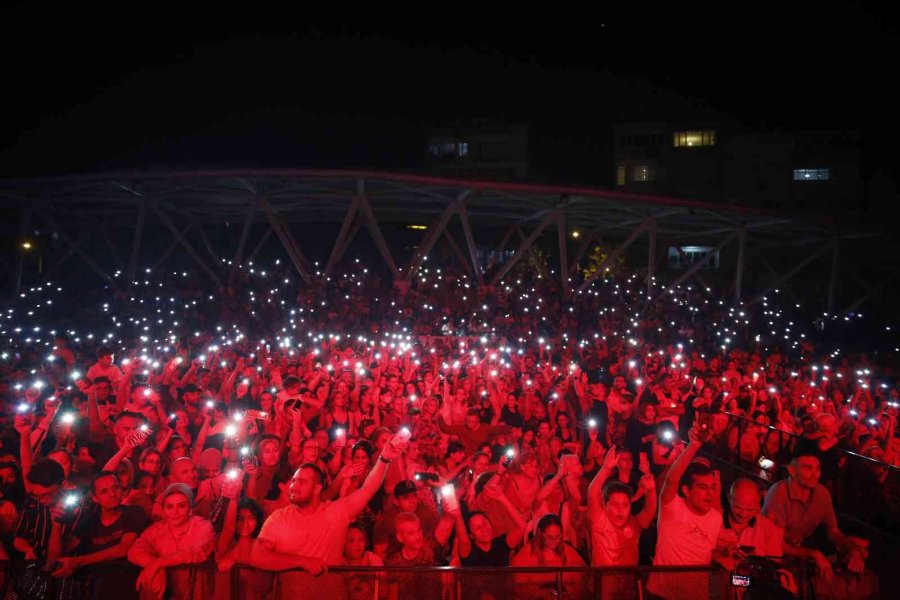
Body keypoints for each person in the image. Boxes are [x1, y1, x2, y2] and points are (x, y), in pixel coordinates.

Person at [762, 447, 867, 583]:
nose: (815, 474)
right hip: (774, 551)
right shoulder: (778, 494)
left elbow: (832, 530)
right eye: (807, 468)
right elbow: (775, 543)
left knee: (860, 548)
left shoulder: (822, 493)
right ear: (792, 471)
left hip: (803, 547)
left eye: (817, 469)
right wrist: (813, 554)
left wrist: (851, 548)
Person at [647, 419, 722, 600]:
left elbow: (709, 553)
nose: (709, 494)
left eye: (712, 487)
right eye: (703, 488)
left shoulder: (716, 518)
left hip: (696, 595)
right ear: (687, 490)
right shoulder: (672, 507)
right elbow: (671, 479)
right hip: (662, 593)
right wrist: (694, 445)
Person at [51, 471, 147, 579]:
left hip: (124, 576)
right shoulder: (89, 523)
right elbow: (56, 558)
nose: (112, 494)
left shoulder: (134, 511)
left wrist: (80, 561)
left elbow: (124, 548)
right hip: (94, 581)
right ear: (95, 498)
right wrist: (56, 525)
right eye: (104, 491)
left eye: (115, 488)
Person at [127, 483, 215, 600]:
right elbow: (135, 551)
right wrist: (155, 567)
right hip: (166, 591)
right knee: (151, 577)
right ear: (163, 511)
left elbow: (193, 552)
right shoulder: (156, 529)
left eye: (181, 506)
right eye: (169, 507)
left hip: (196, 590)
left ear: (190, 510)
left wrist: (158, 564)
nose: (175, 512)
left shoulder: (202, 526)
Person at [510, 513, 586, 600]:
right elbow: (518, 586)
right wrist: (539, 594)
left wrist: (567, 594)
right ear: (540, 533)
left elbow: (581, 581)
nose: (554, 540)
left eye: (557, 537)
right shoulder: (527, 554)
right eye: (550, 537)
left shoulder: (569, 552)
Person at [714, 478, 783, 571]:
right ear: (729, 498)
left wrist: (755, 560)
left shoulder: (767, 527)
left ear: (758, 503)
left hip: (755, 579)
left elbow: (776, 562)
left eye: (750, 510)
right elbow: (699, 554)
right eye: (738, 508)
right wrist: (721, 553)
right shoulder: (713, 520)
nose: (743, 514)